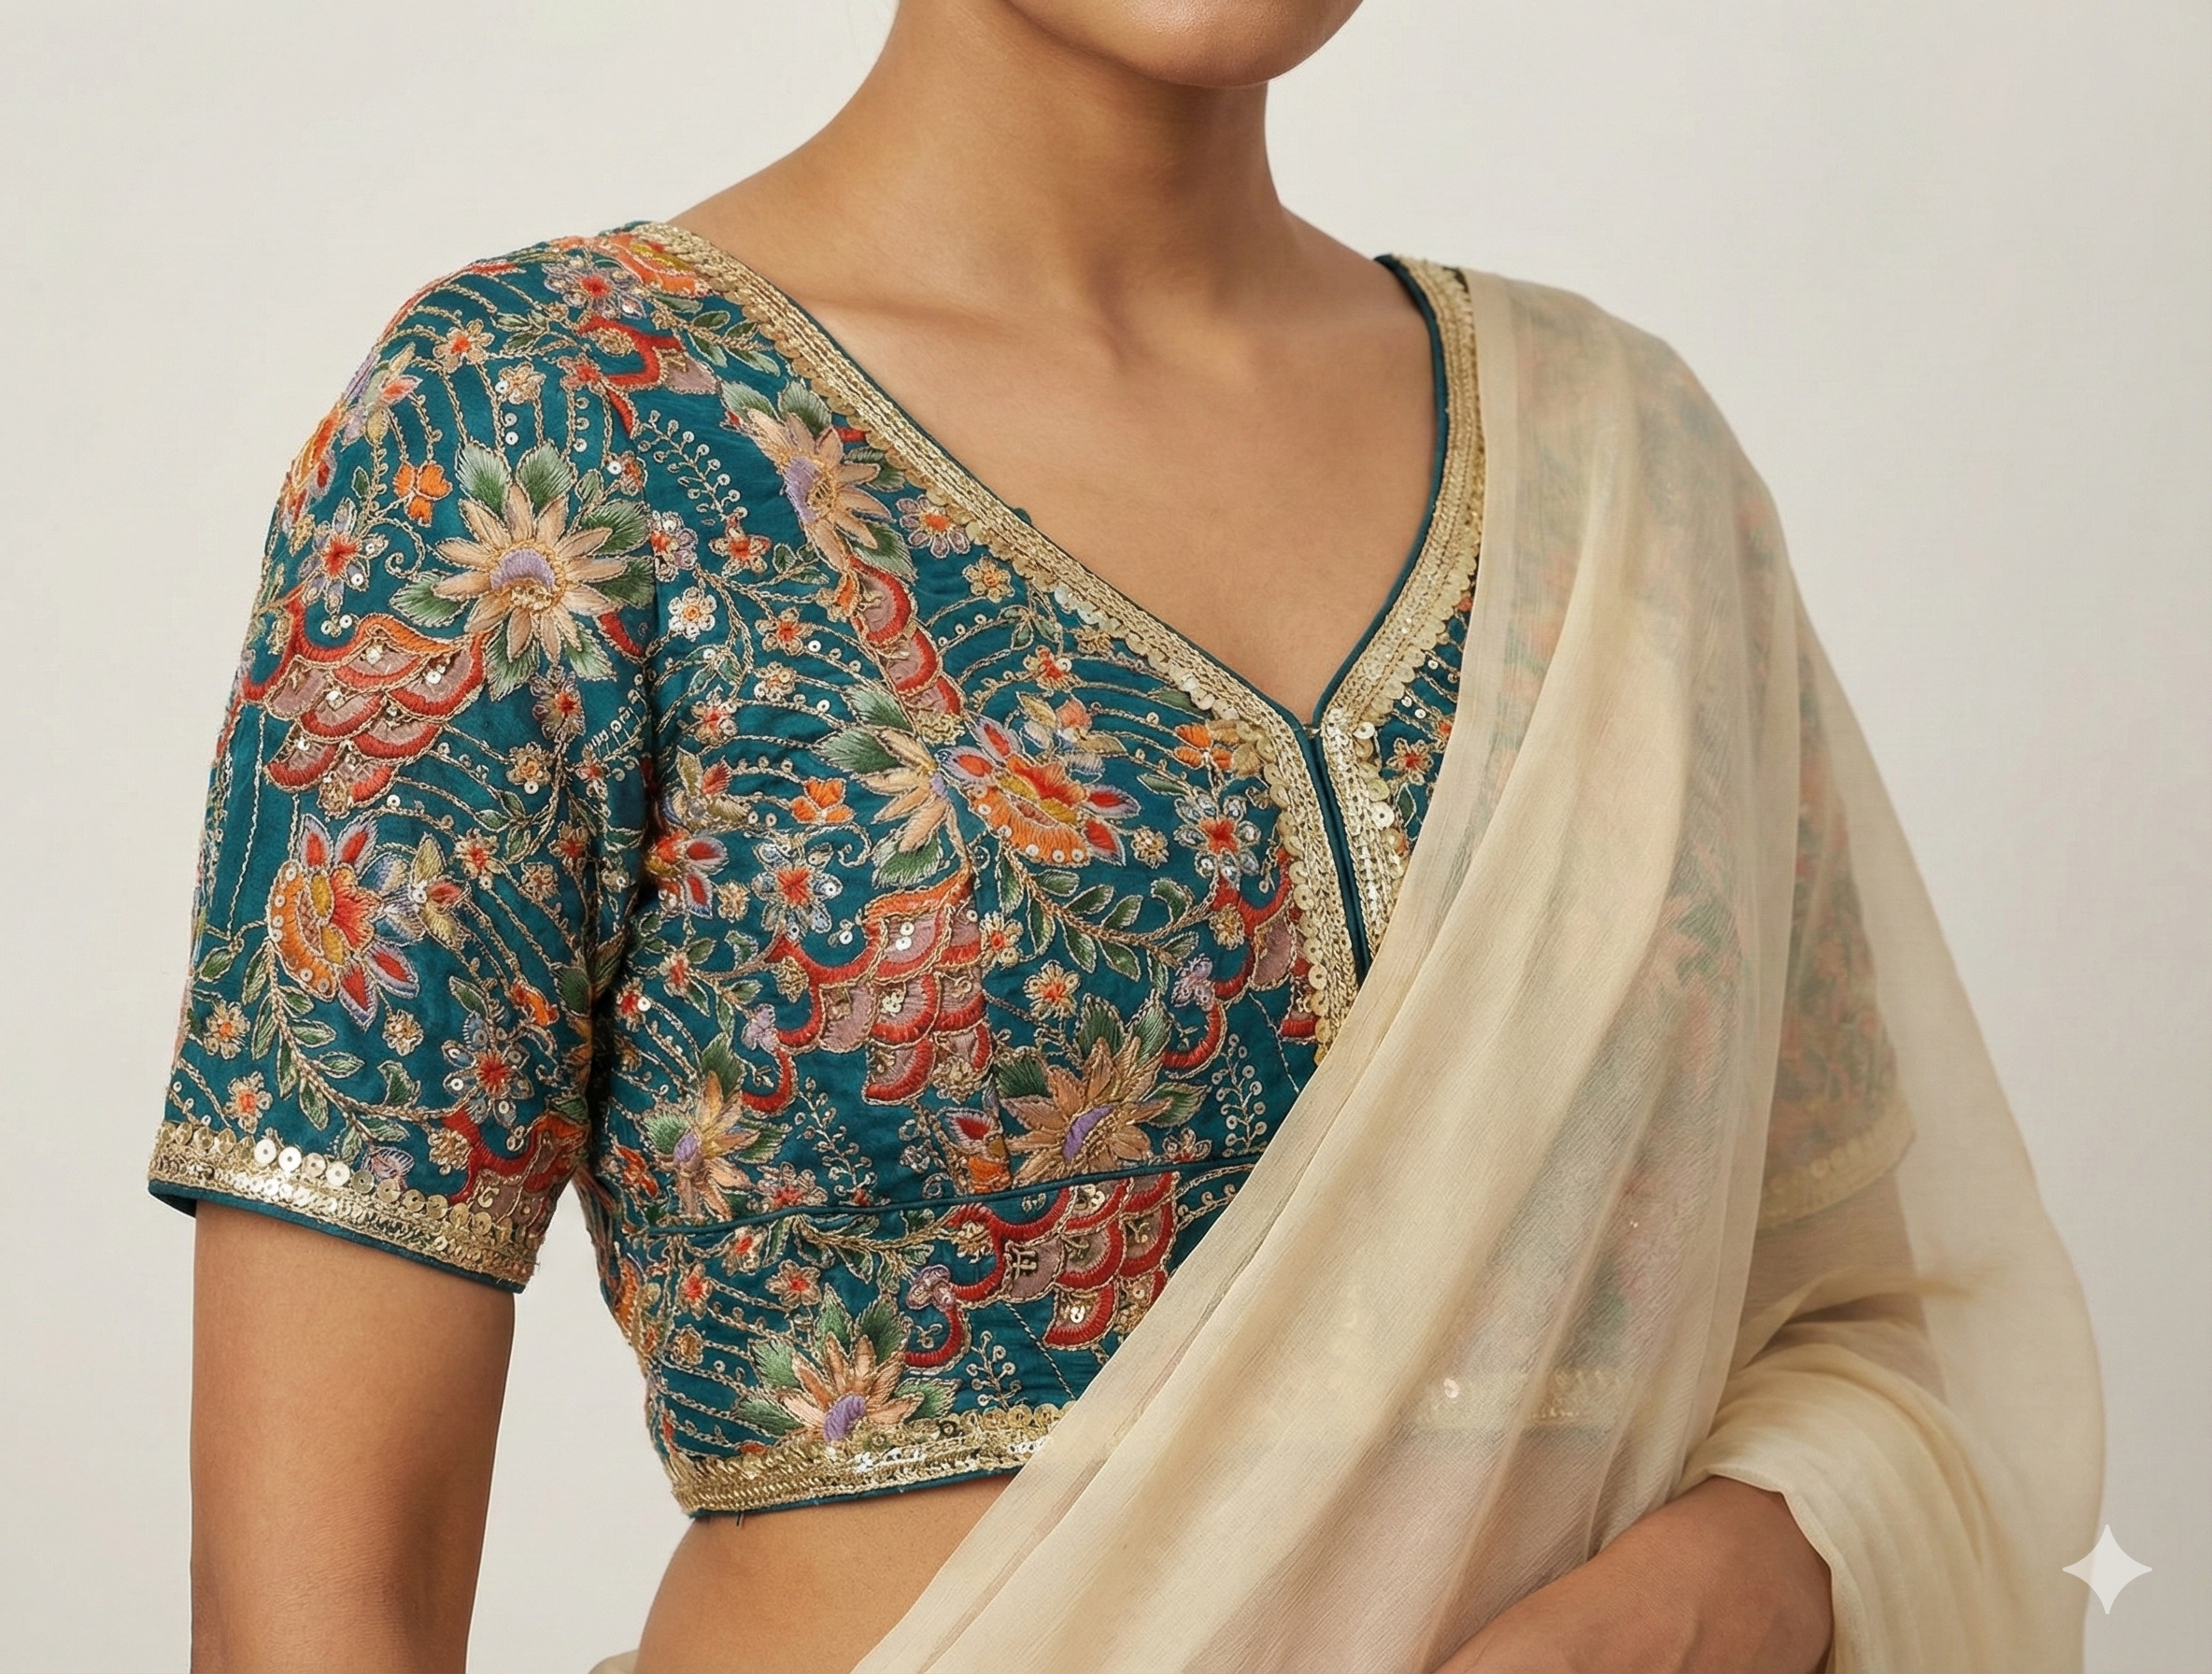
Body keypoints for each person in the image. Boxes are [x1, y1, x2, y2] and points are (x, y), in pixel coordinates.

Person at [154, 2, 2101, 1671]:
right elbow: (318, 1606)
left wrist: (1705, 1593)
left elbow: (1872, 1340)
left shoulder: (1622, 474)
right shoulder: (532, 437)